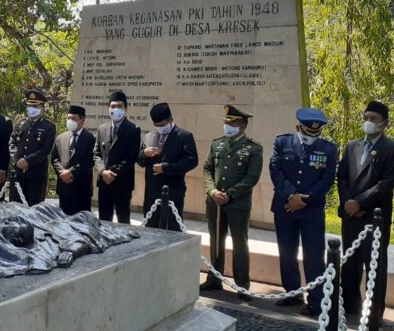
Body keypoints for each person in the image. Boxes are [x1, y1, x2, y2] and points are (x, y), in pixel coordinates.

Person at [337, 101, 394, 316]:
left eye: (373, 119)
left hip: (374, 218)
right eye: (365, 118)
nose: (368, 122)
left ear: (384, 123)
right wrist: (348, 202)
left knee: (374, 266)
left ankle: (373, 315)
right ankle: (350, 308)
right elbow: (343, 177)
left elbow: (386, 184)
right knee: (349, 264)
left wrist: (360, 203)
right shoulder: (351, 146)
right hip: (350, 216)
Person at [269, 107, 337, 316]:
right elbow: (275, 170)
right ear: (299, 127)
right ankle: (292, 293)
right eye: (307, 132)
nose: (311, 138)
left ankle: (315, 300)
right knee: (287, 252)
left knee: (314, 256)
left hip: (311, 210)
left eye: (315, 134)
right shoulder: (282, 142)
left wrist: (304, 199)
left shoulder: (329, 149)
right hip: (285, 206)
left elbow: (327, 178)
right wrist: (291, 195)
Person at [200, 105, 263, 301]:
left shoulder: (253, 149)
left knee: (239, 243)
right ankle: (214, 278)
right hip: (215, 202)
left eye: (232, 123)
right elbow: (207, 169)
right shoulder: (217, 144)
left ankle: (242, 284)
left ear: (242, 127)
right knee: (216, 239)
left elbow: (251, 177)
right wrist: (212, 191)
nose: (227, 126)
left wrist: (230, 194)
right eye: (226, 122)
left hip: (237, 204)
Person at [137, 102, 198, 230]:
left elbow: (192, 161)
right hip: (152, 193)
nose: (160, 128)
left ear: (170, 119)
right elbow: (140, 161)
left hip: (173, 192)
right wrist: (144, 153)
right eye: (156, 125)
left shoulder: (184, 136)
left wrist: (166, 167)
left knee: (172, 230)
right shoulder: (149, 136)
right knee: (150, 229)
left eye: (163, 125)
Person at [93, 91, 141, 223]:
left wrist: (112, 173)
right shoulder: (102, 128)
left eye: (119, 106)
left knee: (123, 220)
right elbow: (96, 153)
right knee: (104, 220)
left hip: (122, 182)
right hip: (104, 182)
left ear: (126, 108)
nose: (116, 109)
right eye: (113, 106)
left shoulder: (133, 129)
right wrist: (103, 171)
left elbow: (131, 157)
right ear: (108, 108)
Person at [8, 90, 56, 206]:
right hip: (18, 173)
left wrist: (28, 161)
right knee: (15, 206)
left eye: (35, 106)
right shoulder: (20, 123)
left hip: (36, 175)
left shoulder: (49, 127)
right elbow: (12, 143)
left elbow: (45, 150)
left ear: (42, 108)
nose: (31, 108)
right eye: (30, 105)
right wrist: (17, 160)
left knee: (34, 208)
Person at [51, 105, 96, 215]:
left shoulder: (91, 138)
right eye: (68, 118)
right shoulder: (60, 138)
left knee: (82, 223)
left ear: (82, 120)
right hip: (64, 187)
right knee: (64, 223)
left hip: (82, 188)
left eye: (73, 118)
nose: (70, 121)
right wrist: (62, 172)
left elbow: (90, 160)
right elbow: (54, 159)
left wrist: (71, 172)